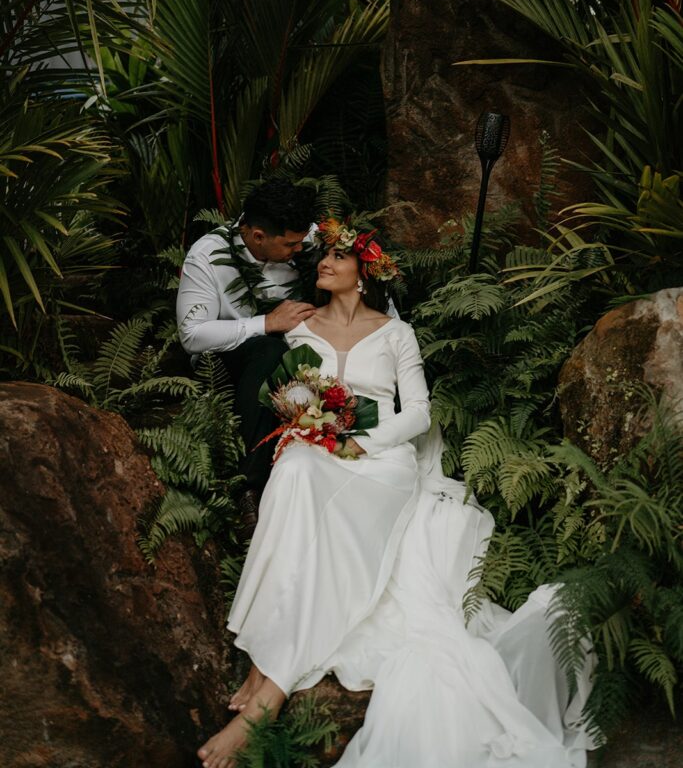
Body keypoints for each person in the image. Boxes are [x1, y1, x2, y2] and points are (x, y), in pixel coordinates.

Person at [197, 216, 596, 768]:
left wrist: (362, 441)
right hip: (316, 453)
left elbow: (421, 414)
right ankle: (269, 666)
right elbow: (289, 398)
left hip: (382, 462)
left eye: (338, 258)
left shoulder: (394, 333)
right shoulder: (300, 331)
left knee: (305, 479)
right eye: (323, 259)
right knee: (294, 473)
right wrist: (308, 430)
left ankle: (268, 684)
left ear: (364, 274)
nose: (325, 265)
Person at [176, 180, 318, 531]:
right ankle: (249, 487)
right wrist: (265, 323)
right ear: (257, 236)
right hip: (228, 362)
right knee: (267, 349)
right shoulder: (207, 257)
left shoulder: (306, 240)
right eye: (290, 244)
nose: (300, 248)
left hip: (300, 352)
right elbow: (193, 335)